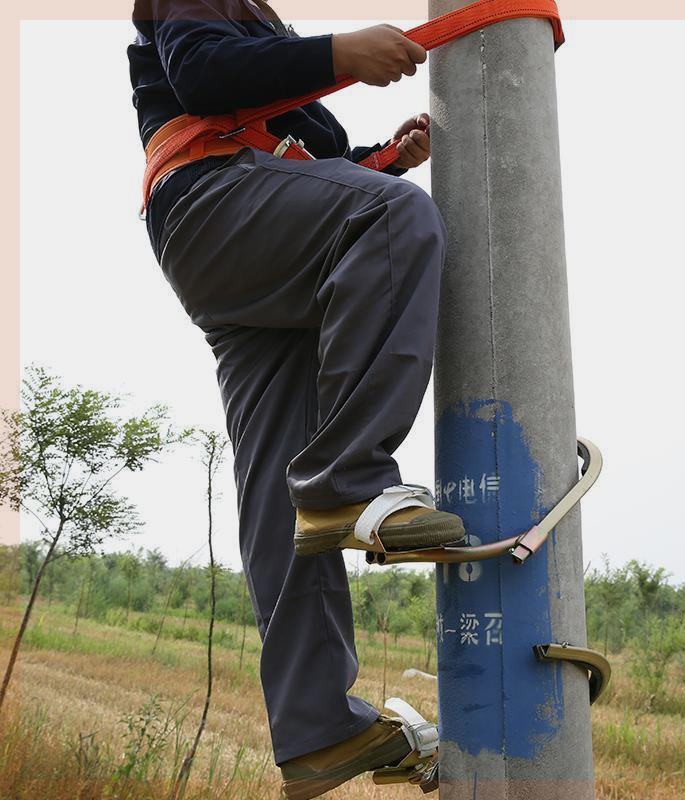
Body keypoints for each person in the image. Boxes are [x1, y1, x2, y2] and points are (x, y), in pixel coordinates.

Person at [128, 1, 464, 797]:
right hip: (216, 203)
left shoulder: (255, 25)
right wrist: (341, 53)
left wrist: (384, 156)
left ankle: (318, 728)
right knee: (396, 221)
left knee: (280, 487)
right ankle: (351, 482)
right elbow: (205, 74)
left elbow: (308, 158)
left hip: (237, 252)